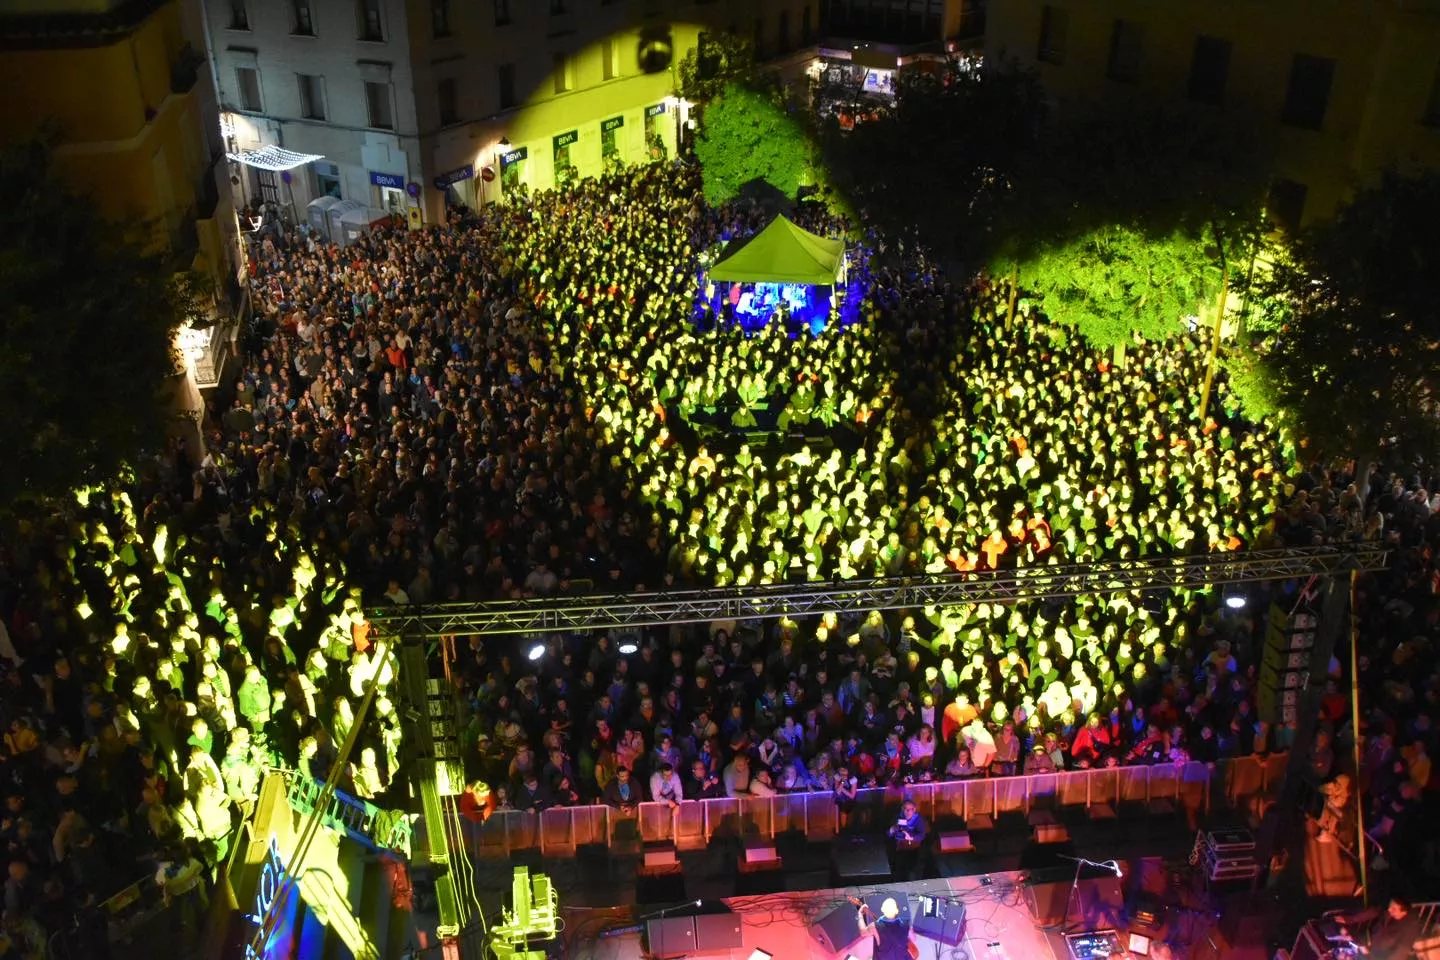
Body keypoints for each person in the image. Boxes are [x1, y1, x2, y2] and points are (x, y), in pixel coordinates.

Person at [1334, 896, 1423, 960]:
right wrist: (1352, 919)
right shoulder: (1389, 912)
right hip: (1371, 944)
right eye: (1390, 906)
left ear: (1403, 913)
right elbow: (1374, 911)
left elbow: (1402, 949)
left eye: (1394, 909)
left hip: (1383, 953)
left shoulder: (1409, 926)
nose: (1389, 910)